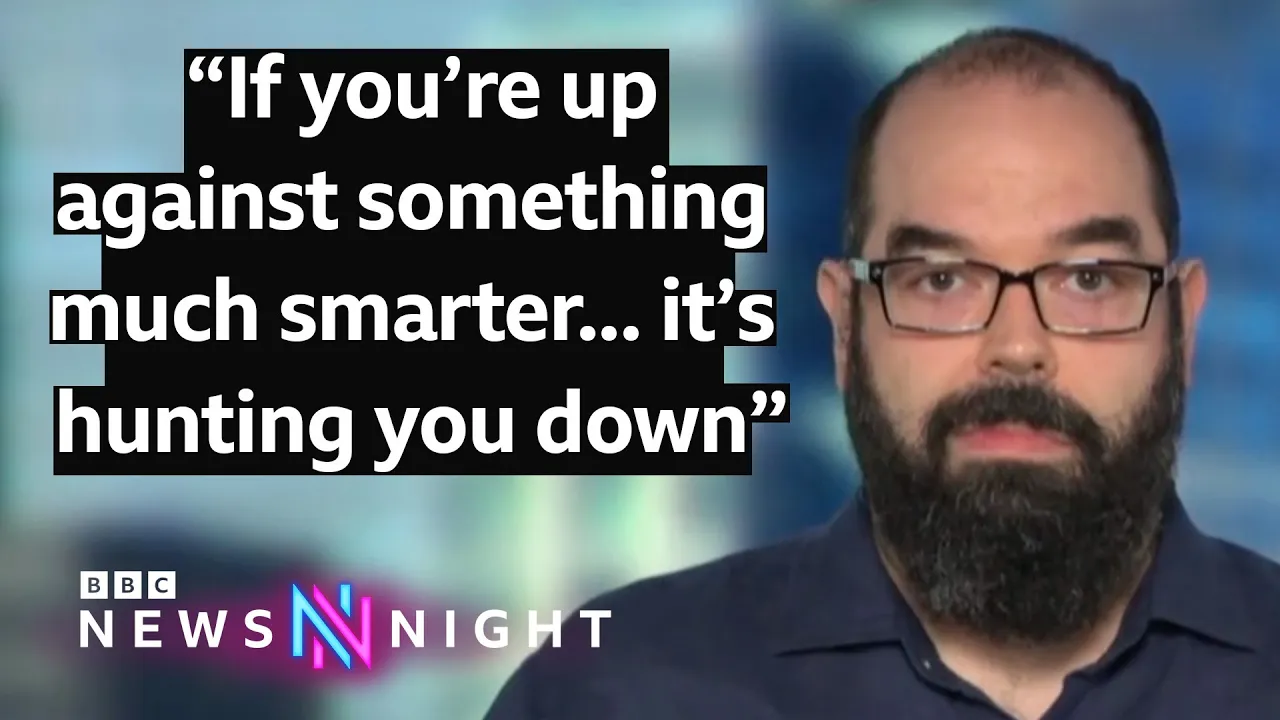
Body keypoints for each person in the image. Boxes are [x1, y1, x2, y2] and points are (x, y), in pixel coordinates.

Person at [484, 27, 1280, 719]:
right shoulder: (612, 695)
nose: (1017, 345)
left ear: (1183, 325)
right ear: (844, 326)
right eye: (940, 279)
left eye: (1089, 279)